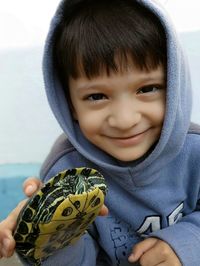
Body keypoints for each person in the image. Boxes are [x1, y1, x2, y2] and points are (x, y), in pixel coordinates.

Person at [0, 0, 200, 265]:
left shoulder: (195, 151)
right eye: (96, 96)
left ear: (175, 84)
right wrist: (52, 238)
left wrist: (187, 242)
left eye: (147, 88)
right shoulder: (66, 172)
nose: (125, 119)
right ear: (70, 104)